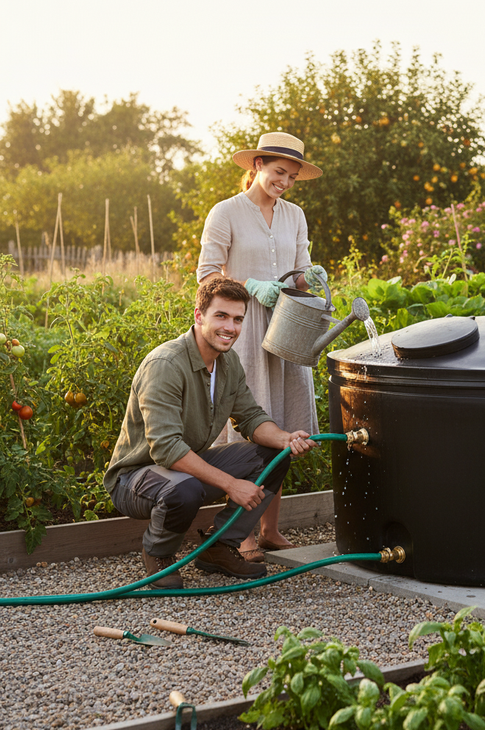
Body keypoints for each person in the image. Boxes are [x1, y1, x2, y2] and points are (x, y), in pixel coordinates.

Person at [103, 277, 317, 589]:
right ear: (199, 316)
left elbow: (251, 417)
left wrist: (284, 439)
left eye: (237, 319)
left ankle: (219, 546)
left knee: (274, 457)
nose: (230, 327)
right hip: (134, 479)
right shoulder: (166, 364)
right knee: (184, 489)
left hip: (184, 468)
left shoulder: (228, 363)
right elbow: (166, 449)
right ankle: (158, 553)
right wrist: (232, 485)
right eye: (221, 316)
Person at [196, 132, 327, 560]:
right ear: (257, 167)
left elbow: (299, 273)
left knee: (284, 424)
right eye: (277, 172)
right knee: (249, 430)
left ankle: (270, 528)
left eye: (291, 176)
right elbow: (205, 276)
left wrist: (313, 277)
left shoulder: (294, 215)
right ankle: (242, 534)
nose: (284, 182)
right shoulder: (226, 212)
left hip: (286, 328)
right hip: (244, 330)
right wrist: (250, 286)